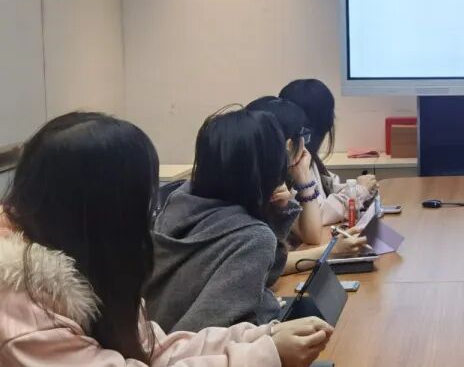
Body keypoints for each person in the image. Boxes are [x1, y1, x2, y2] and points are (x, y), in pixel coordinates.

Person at [0, 112, 332, 366]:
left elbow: (155, 349)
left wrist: (264, 335)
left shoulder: (77, 266)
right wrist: (264, 354)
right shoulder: (23, 313)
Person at [146, 107, 304, 332]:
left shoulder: (180, 200)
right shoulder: (253, 238)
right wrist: (267, 322)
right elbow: (203, 330)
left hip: (153, 338)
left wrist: (273, 213)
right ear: (271, 167)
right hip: (189, 347)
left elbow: (263, 275)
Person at [246, 96, 367, 274]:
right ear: (289, 145)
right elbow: (267, 265)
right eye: (303, 136)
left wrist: (303, 176)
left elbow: (311, 236)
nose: (305, 144)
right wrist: (331, 251)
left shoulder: (277, 180)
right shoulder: (258, 185)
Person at [278, 79, 375, 227]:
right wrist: (359, 191)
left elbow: (327, 187)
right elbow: (315, 215)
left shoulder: (306, 155)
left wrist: (358, 188)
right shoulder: (288, 164)